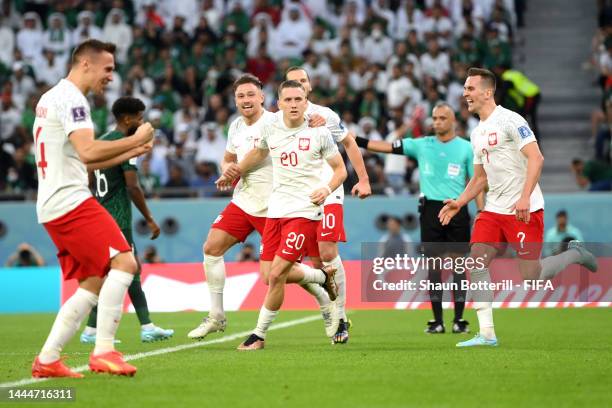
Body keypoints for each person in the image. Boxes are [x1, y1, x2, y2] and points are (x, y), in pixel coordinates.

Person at [438, 68, 598, 348]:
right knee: (475, 261)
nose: (465, 94)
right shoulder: (477, 134)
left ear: (488, 92)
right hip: (493, 210)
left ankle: (575, 254)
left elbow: (536, 158)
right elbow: (480, 177)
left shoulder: (511, 121)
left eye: (470, 88)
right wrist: (460, 202)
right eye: (464, 89)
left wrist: (524, 197)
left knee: (531, 277)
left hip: (525, 209)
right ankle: (486, 333)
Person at [31, 39, 154, 378]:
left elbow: (81, 159)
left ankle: (49, 359)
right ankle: (104, 351)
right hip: (71, 201)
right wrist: (138, 138)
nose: (111, 77)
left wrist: (130, 150)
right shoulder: (74, 100)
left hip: (54, 201)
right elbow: (87, 153)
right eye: (108, 69)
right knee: (126, 261)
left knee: (92, 282)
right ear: (86, 64)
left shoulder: (50, 97)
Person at [187, 74, 339, 341]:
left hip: (275, 206)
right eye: (240, 96)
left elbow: (270, 145)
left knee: (275, 275)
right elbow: (228, 159)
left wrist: (320, 121)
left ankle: (324, 299)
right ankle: (216, 316)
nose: (246, 100)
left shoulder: (276, 120)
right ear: (235, 100)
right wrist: (227, 170)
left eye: (250, 95)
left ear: (262, 98)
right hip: (244, 201)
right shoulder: (235, 127)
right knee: (211, 248)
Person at [355, 102, 483, 334]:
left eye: (442, 118)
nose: (436, 122)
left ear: (453, 121)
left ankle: (459, 320)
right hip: (430, 210)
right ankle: (437, 321)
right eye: (434, 118)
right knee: (433, 267)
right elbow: (387, 147)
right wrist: (357, 141)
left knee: (458, 266)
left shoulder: (466, 148)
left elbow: (476, 184)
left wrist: (482, 213)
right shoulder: (421, 145)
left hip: (457, 209)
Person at [285, 66, 372, 344]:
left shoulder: (326, 116)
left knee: (327, 249)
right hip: (297, 196)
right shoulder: (277, 121)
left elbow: (350, 143)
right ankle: (326, 301)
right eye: (293, 83)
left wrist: (364, 179)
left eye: (303, 81)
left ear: (309, 87)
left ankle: (341, 317)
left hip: (330, 188)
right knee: (302, 264)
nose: (298, 86)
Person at [79, 96, 174, 345]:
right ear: (128, 119)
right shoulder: (124, 145)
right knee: (130, 270)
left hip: (99, 217)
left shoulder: (101, 143)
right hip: (118, 219)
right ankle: (147, 326)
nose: (142, 123)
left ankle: (91, 330)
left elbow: (89, 181)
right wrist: (150, 219)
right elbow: (133, 186)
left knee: (109, 273)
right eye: (140, 118)